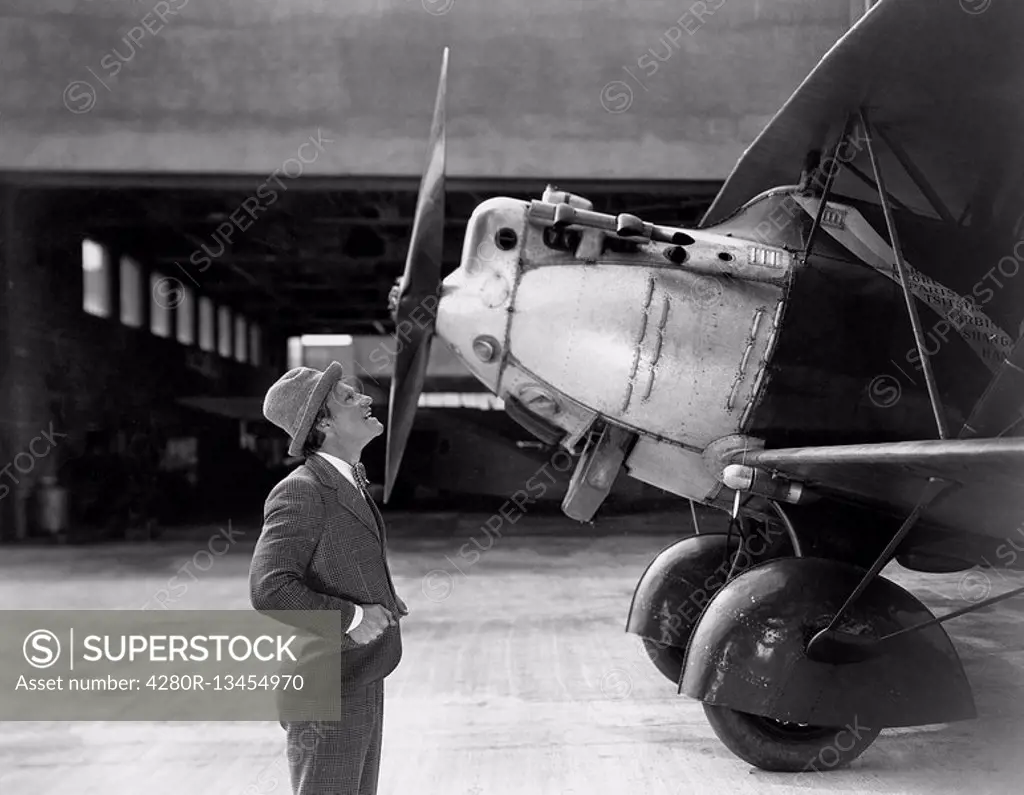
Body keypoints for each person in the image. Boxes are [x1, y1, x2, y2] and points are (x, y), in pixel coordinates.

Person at [250, 361, 408, 795]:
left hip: (358, 673)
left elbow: (336, 561)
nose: (366, 398)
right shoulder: (302, 489)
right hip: (327, 688)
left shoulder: (346, 481)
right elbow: (270, 589)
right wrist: (355, 617)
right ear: (323, 422)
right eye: (348, 397)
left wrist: (383, 599)